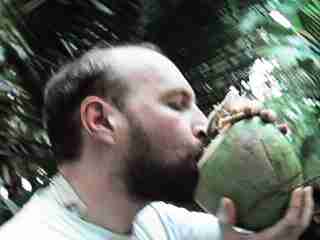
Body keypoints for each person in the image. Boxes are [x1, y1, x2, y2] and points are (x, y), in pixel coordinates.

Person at [0, 43, 314, 239]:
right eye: (177, 105)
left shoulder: (153, 218)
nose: (204, 125)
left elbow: (258, 232)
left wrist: (261, 159)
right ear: (101, 121)